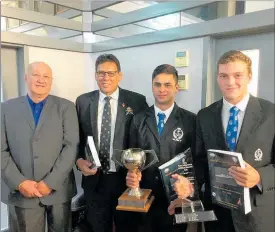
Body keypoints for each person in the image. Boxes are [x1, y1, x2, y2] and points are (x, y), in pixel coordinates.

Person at [170, 50, 275, 232]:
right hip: (218, 215)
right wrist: (190, 183)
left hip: (259, 215)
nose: (230, 82)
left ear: (249, 77)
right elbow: (201, 160)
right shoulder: (205, 115)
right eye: (223, 76)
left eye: (237, 75)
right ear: (217, 78)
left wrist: (259, 177)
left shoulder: (271, 113)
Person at [1, 62, 79, 232]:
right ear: (26, 78)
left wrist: (50, 182)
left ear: (51, 81)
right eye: (36, 75)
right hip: (21, 192)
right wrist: (20, 182)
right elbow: (1, 150)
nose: (41, 80)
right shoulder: (6, 108)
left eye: (46, 77)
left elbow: (71, 147)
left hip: (58, 190)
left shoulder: (66, 107)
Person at [75, 54, 148, 232]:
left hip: (125, 179)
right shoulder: (83, 101)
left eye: (111, 73)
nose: (105, 78)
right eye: (101, 73)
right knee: (98, 227)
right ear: (95, 75)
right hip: (95, 181)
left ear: (119, 75)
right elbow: (77, 138)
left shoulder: (136, 101)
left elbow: (144, 140)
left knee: (127, 227)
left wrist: (138, 170)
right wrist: (78, 161)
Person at [127, 64, 196, 232]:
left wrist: (188, 191)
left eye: (167, 85)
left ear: (176, 88)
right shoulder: (138, 119)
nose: (162, 89)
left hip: (176, 197)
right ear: (152, 86)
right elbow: (131, 156)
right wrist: (131, 175)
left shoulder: (191, 120)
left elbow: (195, 160)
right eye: (157, 84)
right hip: (145, 196)